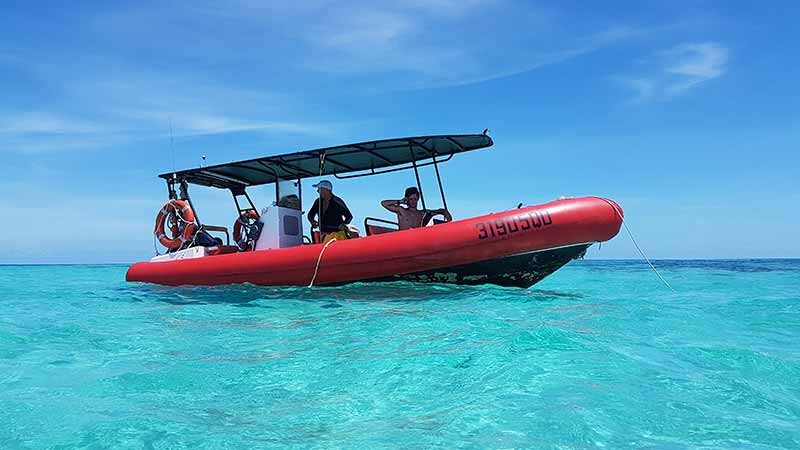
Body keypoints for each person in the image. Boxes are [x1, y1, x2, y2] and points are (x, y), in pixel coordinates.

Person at [381, 186, 452, 230]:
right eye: (411, 199)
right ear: (407, 199)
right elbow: (384, 203)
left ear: (418, 199)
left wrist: (446, 216)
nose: (413, 201)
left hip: (417, 239)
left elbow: (442, 211)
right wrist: (400, 201)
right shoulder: (401, 210)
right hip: (403, 239)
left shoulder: (423, 213)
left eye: (415, 199)